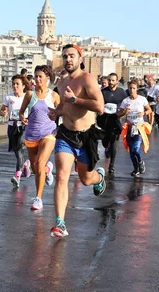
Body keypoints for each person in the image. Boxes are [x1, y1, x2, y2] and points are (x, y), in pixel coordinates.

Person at [48, 44, 105, 238]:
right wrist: (57, 112)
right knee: (62, 176)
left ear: (80, 59)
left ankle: (99, 177)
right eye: (64, 57)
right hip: (65, 134)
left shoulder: (87, 79)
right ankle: (60, 223)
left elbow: (100, 106)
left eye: (71, 56)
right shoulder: (62, 82)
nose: (68, 60)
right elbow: (65, 106)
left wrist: (75, 101)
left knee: (85, 179)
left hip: (86, 135)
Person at [18, 65, 60, 210]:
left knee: (40, 162)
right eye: (36, 76)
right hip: (31, 134)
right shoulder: (30, 94)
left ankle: (38, 198)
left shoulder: (53, 96)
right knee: (36, 168)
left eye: (40, 76)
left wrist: (60, 124)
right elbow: (22, 112)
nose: (37, 79)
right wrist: (23, 118)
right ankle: (48, 170)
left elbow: (62, 112)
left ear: (47, 78)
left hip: (49, 134)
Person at [0, 74, 31, 188]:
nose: (15, 86)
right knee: (17, 151)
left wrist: (27, 120)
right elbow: (2, 110)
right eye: (13, 84)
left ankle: (17, 175)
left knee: (20, 148)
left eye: (17, 84)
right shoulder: (9, 97)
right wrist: (3, 112)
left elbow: (32, 111)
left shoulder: (27, 97)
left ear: (23, 86)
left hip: (23, 126)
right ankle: (26, 164)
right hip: (12, 126)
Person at [117, 79, 152, 177]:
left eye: (134, 88)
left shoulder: (142, 99)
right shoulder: (125, 101)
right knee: (131, 150)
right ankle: (135, 168)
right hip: (129, 128)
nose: (132, 90)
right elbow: (118, 114)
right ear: (128, 89)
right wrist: (124, 112)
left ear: (136, 89)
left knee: (136, 149)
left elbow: (149, 110)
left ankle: (140, 162)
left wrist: (144, 113)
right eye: (130, 88)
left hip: (139, 128)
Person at [98, 72, 127, 175]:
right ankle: (107, 148)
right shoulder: (103, 92)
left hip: (116, 120)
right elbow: (98, 103)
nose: (111, 82)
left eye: (113, 80)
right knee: (105, 142)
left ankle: (112, 165)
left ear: (117, 82)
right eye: (109, 80)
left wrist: (123, 115)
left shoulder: (121, 92)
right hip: (105, 120)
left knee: (114, 142)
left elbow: (126, 104)